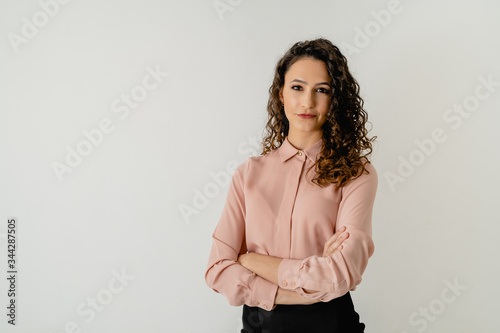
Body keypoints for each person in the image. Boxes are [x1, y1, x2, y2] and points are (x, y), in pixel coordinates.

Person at [205, 37, 378, 332]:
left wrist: (250, 260)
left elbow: (341, 274)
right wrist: (300, 286)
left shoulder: (356, 174)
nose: (307, 102)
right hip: (259, 326)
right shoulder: (248, 174)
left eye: (321, 90)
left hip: (331, 325)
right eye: (297, 87)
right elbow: (218, 270)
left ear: (334, 99)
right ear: (281, 94)